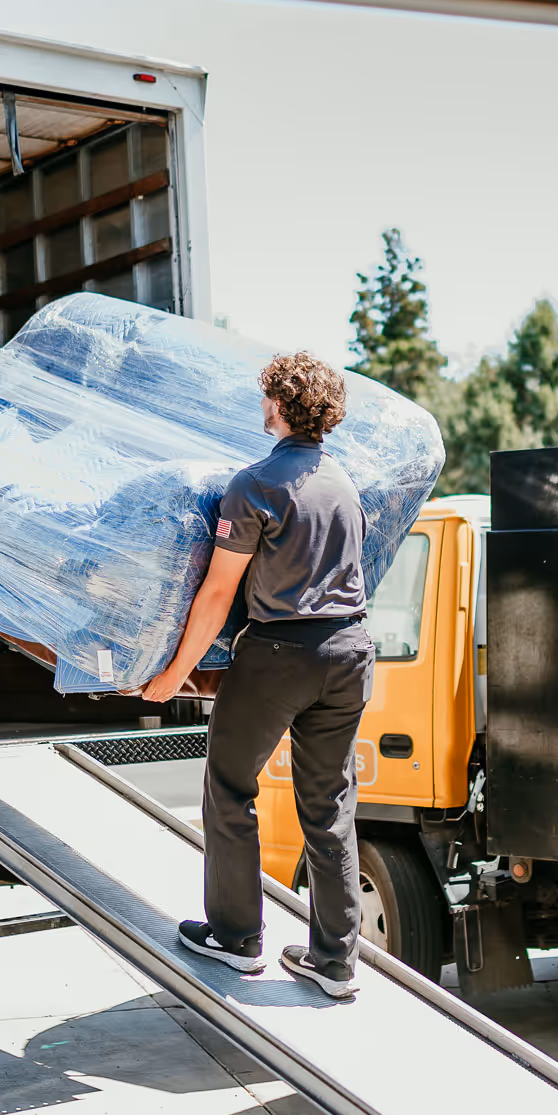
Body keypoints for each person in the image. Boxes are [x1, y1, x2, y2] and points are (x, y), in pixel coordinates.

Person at [142, 352, 373, 998]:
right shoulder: (345, 485)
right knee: (329, 808)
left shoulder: (255, 485)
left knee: (228, 781)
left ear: (277, 404)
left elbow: (218, 594)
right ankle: (335, 960)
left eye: (265, 395)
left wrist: (172, 676)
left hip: (279, 656)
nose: (260, 404)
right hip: (351, 651)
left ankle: (238, 936)